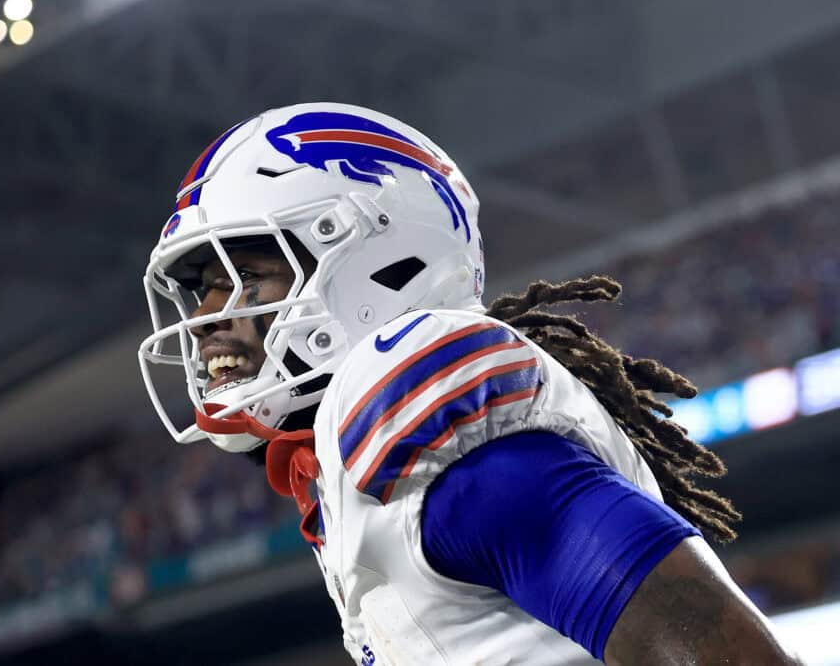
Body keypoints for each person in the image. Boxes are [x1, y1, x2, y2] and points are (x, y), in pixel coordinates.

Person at [138, 103, 802, 665]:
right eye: (201, 291)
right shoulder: (344, 478)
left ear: (376, 263)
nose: (204, 319)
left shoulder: (422, 417)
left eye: (244, 278)